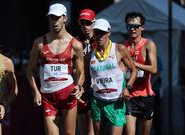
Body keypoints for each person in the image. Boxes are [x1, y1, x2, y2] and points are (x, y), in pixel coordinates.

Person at [26, 3, 85, 135]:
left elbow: (81, 72)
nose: (54, 21)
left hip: (68, 93)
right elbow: (30, 70)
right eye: (51, 17)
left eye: (57, 17)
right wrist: (35, 91)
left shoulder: (75, 45)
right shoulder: (39, 43)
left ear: (65, 18)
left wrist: (79, 86)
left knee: (69, 133)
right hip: (48, 96)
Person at [85, 18, 137, 135]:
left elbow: (134, 70)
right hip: (97, 102)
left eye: (102, 33)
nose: (99, 36)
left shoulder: (119, 49)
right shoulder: (89, 57)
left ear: (109, 33)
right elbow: (87, 80)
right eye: (96, 32)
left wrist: (127, 88)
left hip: (116, 102)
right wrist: (83, 90)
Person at [123, 12, 157, 135]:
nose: (132, 29)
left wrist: (134, 64)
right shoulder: (122, 46)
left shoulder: (148, 44)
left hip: (146, 95)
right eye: (129, 26)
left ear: (142, 27)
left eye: (136, 26)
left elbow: (153, 69)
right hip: (129, 96)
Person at [76, 8, 96, 135]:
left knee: (92, 131)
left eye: (88, 23)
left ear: (94, 22)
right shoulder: (76, 41)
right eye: (82, 23)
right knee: (82, 131)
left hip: (96, 89)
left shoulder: (100, 40)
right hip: (80, 89)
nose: (85, 26)